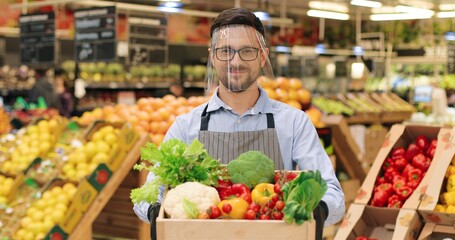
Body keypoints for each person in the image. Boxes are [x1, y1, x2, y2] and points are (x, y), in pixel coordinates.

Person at [133, 7, 345, 235]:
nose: (235, 61)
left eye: (247, 51)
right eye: (225, 51)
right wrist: (157, 210)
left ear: (263, 56)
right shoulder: (186, 126)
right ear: (212, 56)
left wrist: (315, 209)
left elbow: (333, 193)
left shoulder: (294, 122)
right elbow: (148, 194)